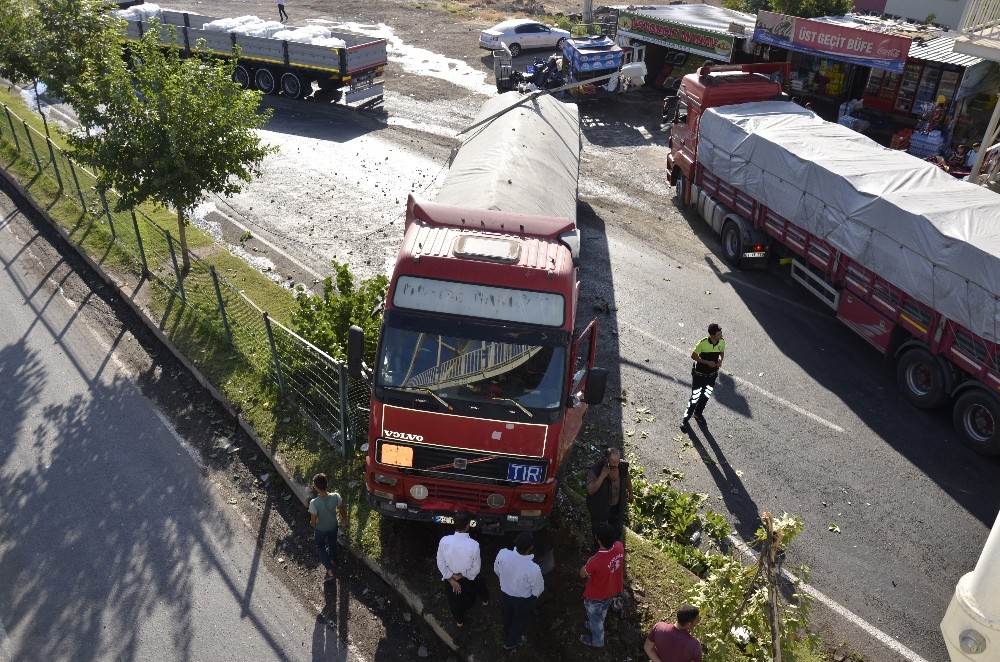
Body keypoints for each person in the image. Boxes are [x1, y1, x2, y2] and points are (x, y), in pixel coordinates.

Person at [436, 510, 490, 628]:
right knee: (480, 586)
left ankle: (459, 622)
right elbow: (476, 569)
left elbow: (440, 562)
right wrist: (461, 576)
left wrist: (451, 579)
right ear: (467, 526)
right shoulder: (474, 545)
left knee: (454, 601)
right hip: (467, 576)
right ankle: (485, 601)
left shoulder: (444, 541)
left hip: (451, 576)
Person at [494, 531, 544, 651]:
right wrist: (531, 598)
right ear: (531, 547)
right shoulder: (534, 568)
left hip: (504, 594)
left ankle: (507, 633)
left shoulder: (503, 554)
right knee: (519, 621)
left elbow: (496, 570)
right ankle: (510, 643)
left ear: (515, 542)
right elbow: (538, 590)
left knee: (506, 616)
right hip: (522, 601)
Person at [580, 522, 625, 648]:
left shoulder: (595, 561)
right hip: (611, 590)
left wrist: (587, 563)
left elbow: (583, 574)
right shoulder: (619, 546)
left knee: (594, 616)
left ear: (599, 540)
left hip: (596, 596)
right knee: (602, 611)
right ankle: (596, 624)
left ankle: (597, 641)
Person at [681, 323, 725, 429]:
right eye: (719, 334)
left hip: (712, 375)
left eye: (721, 333)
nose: (721, 336)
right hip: (699, 375)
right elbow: (694, 356)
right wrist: (707, 362)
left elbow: (721, 353)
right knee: (695, 397)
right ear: (712, 335)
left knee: (706, 395)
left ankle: (698, 413)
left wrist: (719, 361)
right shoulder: (702, 343)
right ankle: (685, 420)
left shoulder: (722, 342)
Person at [585, 447, 633, 544]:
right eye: (613, 462)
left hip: (616, 506)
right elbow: (591, 490)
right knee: (599, 531)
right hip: (600, 507)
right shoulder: (596, 470)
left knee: (616, 528)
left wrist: (630, 492)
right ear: (606, 460)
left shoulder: (622, 466)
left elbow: (627, 477)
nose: (616, 465)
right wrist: (602, 476)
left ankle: (613, 546)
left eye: (617, 461)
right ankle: (598, 548)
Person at [308, 473, 347, 583]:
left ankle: (330, 572)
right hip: (333, 525)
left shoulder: (314, 503)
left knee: (320, 546)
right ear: (327, 484)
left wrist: (312, 525)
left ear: (316, 487)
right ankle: (333, 560)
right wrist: (344, 520)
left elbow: (313, 522)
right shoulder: (336, 496)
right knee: (332, 542)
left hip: (321, 529)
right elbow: (342, 510)